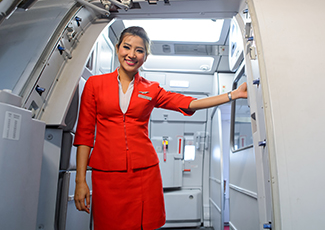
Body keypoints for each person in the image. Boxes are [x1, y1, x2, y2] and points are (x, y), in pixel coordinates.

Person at [73, 26, 247, 230]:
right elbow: (84, 135)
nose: (131, 54)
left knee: (143, 226)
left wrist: (231, 95)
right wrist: (80, 180)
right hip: (107, 174)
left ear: (145, 57)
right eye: (127, 47)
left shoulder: (151, 88)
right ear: (117, 47)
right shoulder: (95, 84)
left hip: (144, 173)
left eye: (139, 50)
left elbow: (187, 103)